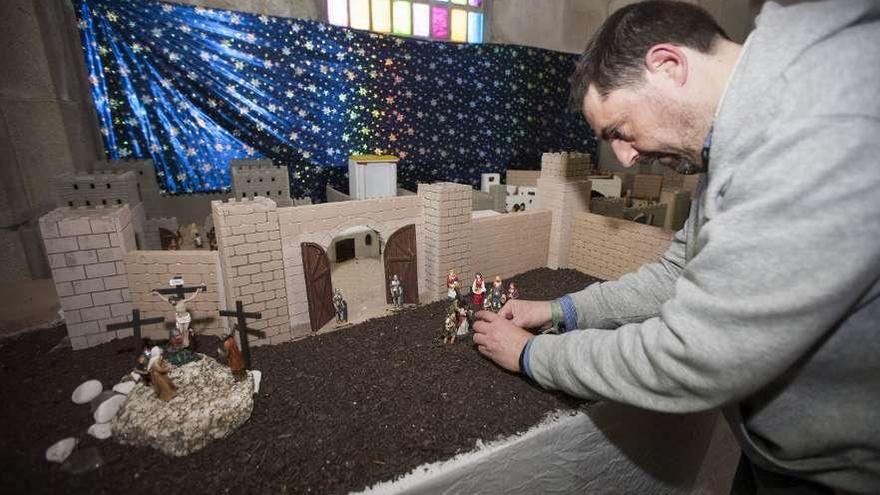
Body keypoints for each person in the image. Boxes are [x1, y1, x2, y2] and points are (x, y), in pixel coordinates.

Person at [473, 1, 880, 494]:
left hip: (839, 473)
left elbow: (693, 355)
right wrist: (560, 310)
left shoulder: (815, 130)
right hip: (782, 449)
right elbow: (676, 275)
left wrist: (534, 356)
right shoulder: (740, 131)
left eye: (618, 131)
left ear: (669, 66)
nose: (624, 158)